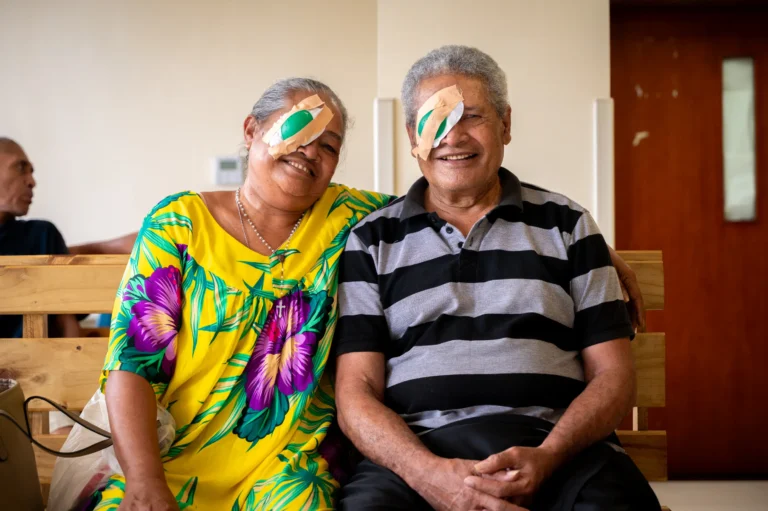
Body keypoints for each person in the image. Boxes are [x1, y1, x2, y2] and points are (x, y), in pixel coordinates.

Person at [334, 46, 660, 511]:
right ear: (412, 136)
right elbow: (355, 393)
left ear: (506, 124)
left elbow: (614, 375)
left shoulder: (567, 226)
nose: (452, 135)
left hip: (560, 449)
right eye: (433, 121)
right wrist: (429, 476)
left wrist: (549, 456)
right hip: (417, 456)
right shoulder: (371, 240)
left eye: (471, 116)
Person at [82, 78, 392, 511]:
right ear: (251, 131)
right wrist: (145, 480)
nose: (311, 151)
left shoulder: (351, 218)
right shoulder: (180, 223)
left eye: (330, 147)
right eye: (299, 128)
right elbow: (131, 366)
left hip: (283, 469)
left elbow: (437, 201)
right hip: (169, 460)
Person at [0, 137, 80, 338]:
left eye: (31, 172)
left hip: (33, 366)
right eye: (20, 168)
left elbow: (66, 323)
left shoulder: (42, 235)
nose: (32, 182)